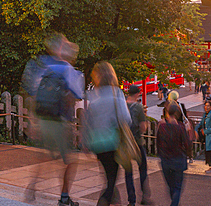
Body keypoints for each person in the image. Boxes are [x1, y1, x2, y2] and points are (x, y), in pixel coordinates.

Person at [23, 34, 84, 206]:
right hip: (59, 120)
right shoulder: (66, 68)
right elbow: (75, 95)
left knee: (45, 156)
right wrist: (70, 124)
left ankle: (32, 187)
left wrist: (32, 120)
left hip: (43, 119)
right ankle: (64, 198)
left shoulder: (41, 64)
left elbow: (31, 94)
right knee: (70, 160)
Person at [85, 61, 132, 206]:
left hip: (97, 144)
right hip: (112, 143)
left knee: (108, 176)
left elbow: (89, 121)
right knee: (111, 180)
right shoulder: (116, 93)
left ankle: (113, 200)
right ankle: (104, 201)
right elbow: (126, 119)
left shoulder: (93, 95)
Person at [157, 104, 191, 206]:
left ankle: (174, 202)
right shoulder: (180, 127)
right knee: (177, 187)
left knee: (171, 186)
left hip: (166, 160)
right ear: (177, 113)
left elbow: (158, 143)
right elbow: (187, 144)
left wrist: (161, 155)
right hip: (178, 159)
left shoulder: (162, 127)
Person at [124, 85, 151, 206]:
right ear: (137, 94)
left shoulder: (122, 105)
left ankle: (131, 200)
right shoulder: (138, 107)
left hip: (125, 142)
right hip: (137, 142)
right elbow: (143, 127)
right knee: (142, 169)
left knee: (128, 172)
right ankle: (144, 196)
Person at [195, 101, 211, 173]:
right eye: (205, 105)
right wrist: (196, 129)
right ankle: (210, 166)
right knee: (208, 152)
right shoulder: (205, 115)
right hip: (207, 137)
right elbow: (201, 123)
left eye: (208, 106)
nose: (206, 107)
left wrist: (204, 131)